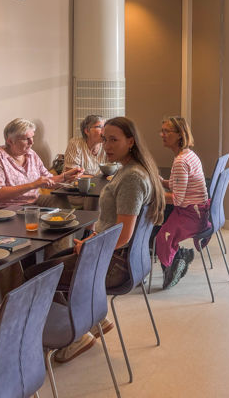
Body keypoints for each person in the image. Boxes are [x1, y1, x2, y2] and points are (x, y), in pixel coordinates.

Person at [24, 116, 165, 363]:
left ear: (130, 141)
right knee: (51, 262)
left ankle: (77, 336)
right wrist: (91, 242)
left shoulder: (132, 178)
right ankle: (93, 317)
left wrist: (89, 245)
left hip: (113, 264)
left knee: (35, 276)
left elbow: (122, 235)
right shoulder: (133, 171)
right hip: (120, 259)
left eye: (114, 140)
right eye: (104, 139)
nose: (107, 146)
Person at [155, 117, 210, 290]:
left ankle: (174, 267)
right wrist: (162, 181)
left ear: (179, 135)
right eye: (161, 130)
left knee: (160, 236)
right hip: (199, 210)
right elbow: (179, 185)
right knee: (160, 223)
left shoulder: (180, 161)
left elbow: (177, 199)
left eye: (166, 131)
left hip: (191, 215)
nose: (162, 134)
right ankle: (180, 255)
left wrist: (154, 194)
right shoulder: (188, 155)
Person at [0, 118, 81, 209]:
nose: (31, 142)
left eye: (32, 137)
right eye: (26, 139)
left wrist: (65, 177)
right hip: (8, 207)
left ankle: (69, 228)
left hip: (33, 201)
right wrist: (33, 185)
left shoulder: (31, 154)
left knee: (59, 200)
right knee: (38, 216)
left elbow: (47, 181)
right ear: (10, 141)